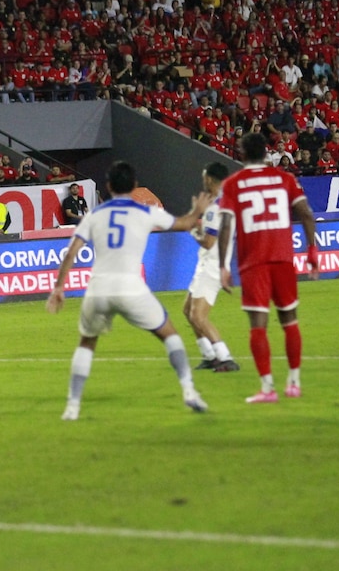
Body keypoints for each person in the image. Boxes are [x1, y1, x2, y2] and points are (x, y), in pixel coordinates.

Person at [46, 161, 212, 420]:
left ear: (109, 186)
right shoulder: (145, 212)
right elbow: (185, 223)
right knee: (171, 336)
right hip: (131, 288)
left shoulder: (94, 215)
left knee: (87, 343)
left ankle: (72, 406)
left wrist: (58, 288)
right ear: (134, 185)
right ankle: (189, 391)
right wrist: (198, 210)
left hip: (99, 289)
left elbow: (71, 252)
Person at [217, 132, 320, 404]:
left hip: (254, 263)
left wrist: (223, 266)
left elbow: (226, 225)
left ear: (242, 154)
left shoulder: (233, 184)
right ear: (265, 153)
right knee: (290, 320)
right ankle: (294, 383)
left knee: (258, 326)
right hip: (282, 259)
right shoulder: (285, 178)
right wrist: (311, 250)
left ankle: (267, 388)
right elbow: (306, 214)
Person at [183, 163, 240, 372]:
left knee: (198, 316)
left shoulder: (215, 208)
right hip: (208, 263)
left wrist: (192, 229)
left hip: (212, 266)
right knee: (187, 310)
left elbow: (208, 242)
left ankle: (225, 358)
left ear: (209, 179)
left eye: (204, 177)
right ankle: (209, 355)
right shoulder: (223, 202)